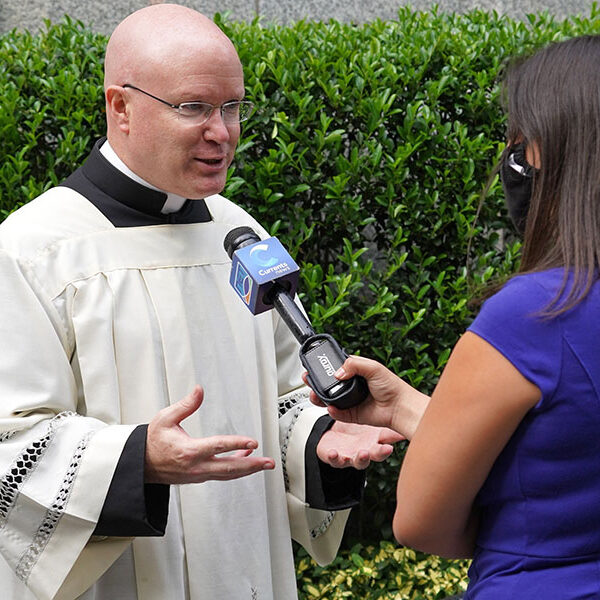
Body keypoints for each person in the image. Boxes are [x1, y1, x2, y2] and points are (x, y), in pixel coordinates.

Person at [0, 4, 403, 599]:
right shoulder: (33, 251)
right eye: (194, 108)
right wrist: (139, 460)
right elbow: (11, 441)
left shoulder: (240, 236)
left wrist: (322, 440)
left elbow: (287, 395)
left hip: (245, 565)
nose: (222, 131)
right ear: (121, 107)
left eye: (232, 107)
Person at [309, 34, 600, 599]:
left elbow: (421, 522)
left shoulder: (534, 313)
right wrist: (408, 409)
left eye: (519, 136)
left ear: (555, 151)